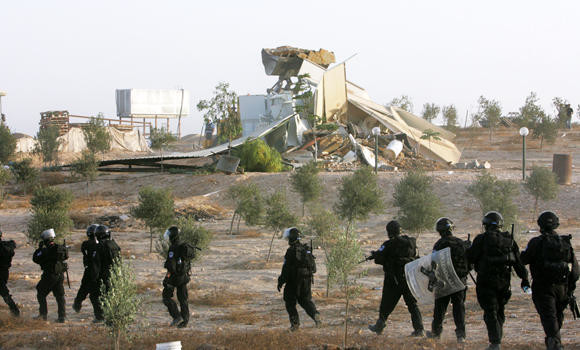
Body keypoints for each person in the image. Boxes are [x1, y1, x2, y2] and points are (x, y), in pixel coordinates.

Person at [467, 211, 530, 350]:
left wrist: (467, 249)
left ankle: (495, 343)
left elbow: (470, 258)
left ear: (486, 225)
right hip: (504, 282)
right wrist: (524, 279)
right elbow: (518, 263)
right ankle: (497, 340)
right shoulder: (509, 240)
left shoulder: (481, 239)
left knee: (490, 311)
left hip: (485, 281)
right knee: (499, 310)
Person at [520, 211, 579, 350]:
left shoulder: (536, 242)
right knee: (557, 315)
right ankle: (554, 341)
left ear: (540, 225)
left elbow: (523, 260)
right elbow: (575, 271)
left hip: (543, 287)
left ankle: (555, 344)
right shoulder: (565, 242)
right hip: (562, 288)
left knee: (549, 317)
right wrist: (570, 288)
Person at [368, 220, 424, 336]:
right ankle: (419, 329)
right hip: (408, 278)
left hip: (393, 280)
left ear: (389, 232)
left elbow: (379, 259)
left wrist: (375, 254)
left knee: (386, 304)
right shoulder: (411, 242)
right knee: (412, 305)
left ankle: (379, 326)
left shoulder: (388, 244)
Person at [426, 218, 471, 343]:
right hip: (459, 281)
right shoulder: (460, 243)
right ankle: (461, 335)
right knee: (459, 308)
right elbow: (469, 262)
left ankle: (436, 333)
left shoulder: (438, 244)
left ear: (439, 231)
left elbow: (433, 264)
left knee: (440, 309)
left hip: (443, 282)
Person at [277, 227, 320, 331]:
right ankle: (317, 317)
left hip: (294, 281)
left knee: (289, 302)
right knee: (305, 301)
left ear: (291, 239)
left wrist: (281, 281)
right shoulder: (306, 249)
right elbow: (314, 269)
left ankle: (295, 325)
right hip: (307, 280)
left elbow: (286, 269)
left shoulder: (291, 251)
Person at [162, 226, 197, 328]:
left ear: (172, 236)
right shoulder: (183, 245)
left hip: (175, 277)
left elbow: (171, 265)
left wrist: (167, 278)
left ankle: (177, 317)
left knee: (166, 297)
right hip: (184, 276)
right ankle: (185, 321)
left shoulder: (173, 248)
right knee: (183, 299)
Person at [32, 228, 68, 322]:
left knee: (41, 292)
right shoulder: (59, 247)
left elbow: (35, 258)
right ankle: (62, 317)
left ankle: (43, 315)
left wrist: (40, 248)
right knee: (59, 296)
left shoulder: (45, 250)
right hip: (60, 275)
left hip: (50, 275)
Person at [73, 224, 104, 322]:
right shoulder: (98, 244)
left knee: (84, 289)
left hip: (89, 270)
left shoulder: (86, 244)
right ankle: (99, 315)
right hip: (96, 271)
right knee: (95, 294)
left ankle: (77, 304)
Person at [0, 229, 20, 316]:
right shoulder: (7, 246)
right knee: (4, 292)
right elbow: (13, 243)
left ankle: (15, 311)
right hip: (5, 273)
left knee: (4, 292)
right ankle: (14, 311)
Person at [96, 225, 120, 292]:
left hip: (105, 274)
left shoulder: (101, 246)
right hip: (116, 273)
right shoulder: (114, 244)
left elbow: (97, 262)